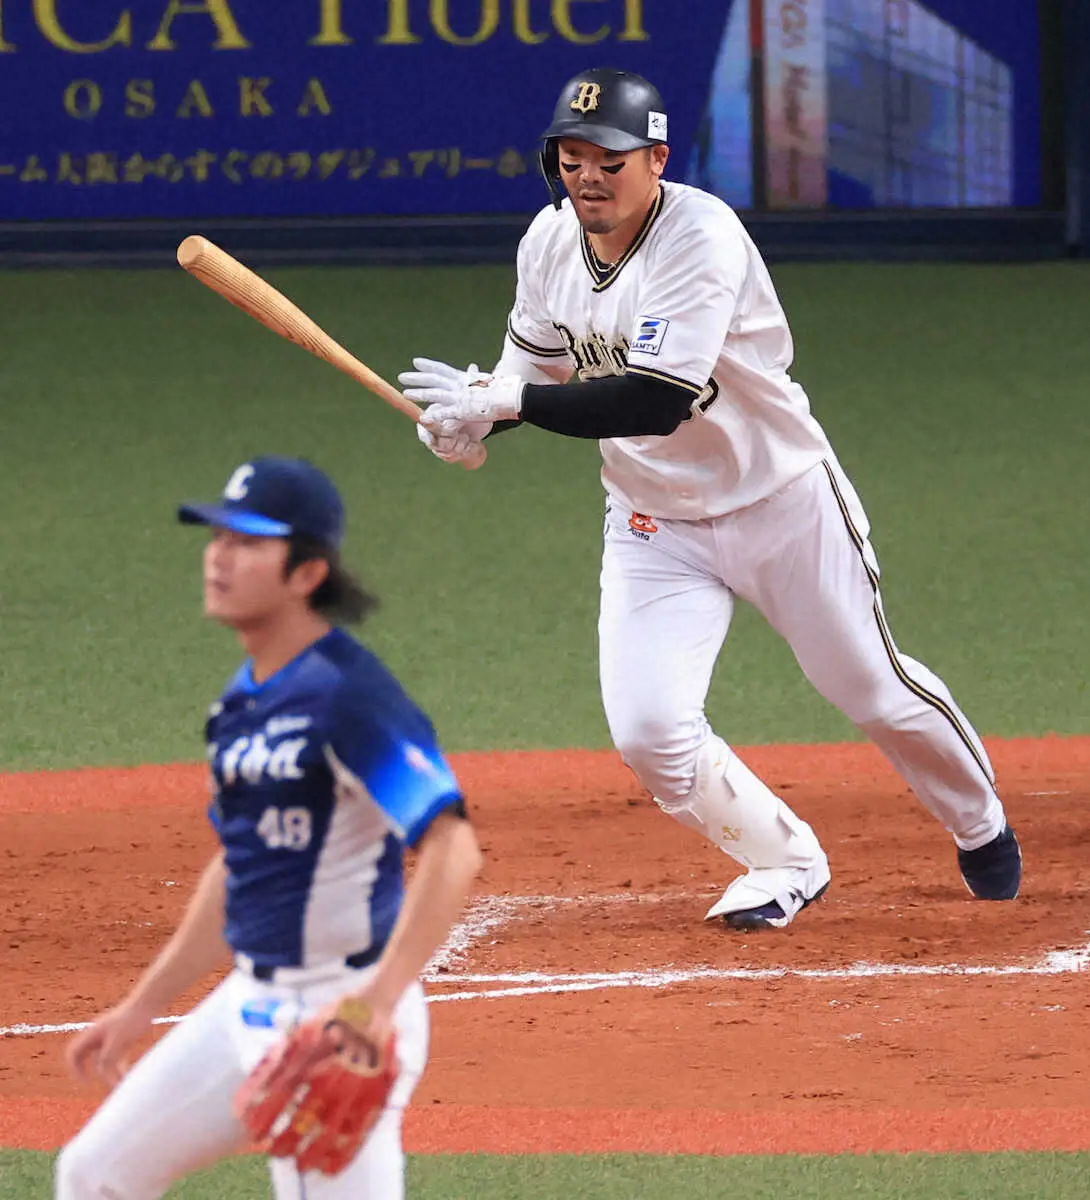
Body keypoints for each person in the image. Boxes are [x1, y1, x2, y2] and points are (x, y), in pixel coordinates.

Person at [399, 67, 1020, 931]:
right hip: (656, 522)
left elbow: (655, 399)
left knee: (869, 686)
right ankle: (784, 859)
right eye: (571, 157)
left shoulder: (702, 237)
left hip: (781, 500)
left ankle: (978, 821)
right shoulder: (546, 243)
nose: (587, 176)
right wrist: (474, 420)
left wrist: (509, 406)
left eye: (608, 160)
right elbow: (531, 373)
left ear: (656, 158)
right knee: (650, 732)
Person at [55, 456, 482, 1198]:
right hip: (246, 1005)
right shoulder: (241, 703)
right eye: (216, 537)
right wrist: (141, 1009)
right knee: (93, 1176)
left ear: (307, 572)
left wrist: (373, 1008)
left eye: (248, 542)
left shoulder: (346, 695)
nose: (219, 557)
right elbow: (238, 868)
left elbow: (454, 846)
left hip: (340, 1021)